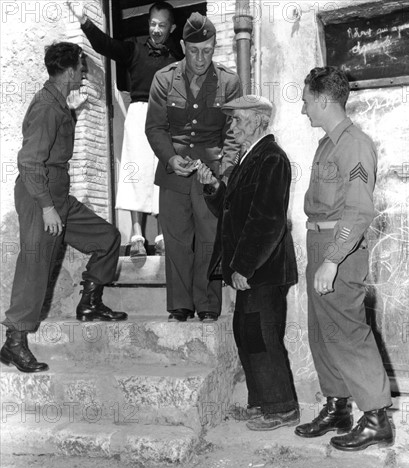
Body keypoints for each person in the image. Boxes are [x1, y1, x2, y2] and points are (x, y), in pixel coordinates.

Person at [0, 42, 127, 374]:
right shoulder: (45, 107)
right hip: (39, 193)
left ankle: (89, 302)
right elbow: (29, 162)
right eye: (82, 69)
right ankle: (14, 342)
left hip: (58, 193)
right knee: (35, 266)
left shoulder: (57, 104)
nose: (83, 74)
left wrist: (74, 111)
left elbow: (52, 138)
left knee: (107, 237)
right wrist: (46, 208)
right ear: (70, 71)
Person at [295, 66, 394, 451]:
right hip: (321, 244)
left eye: (306, 102)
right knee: (323, 332)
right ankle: (338, 407)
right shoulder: (326, 144)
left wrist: (334, 258)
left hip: (341, 249)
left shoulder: (354, 144)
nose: (304, 110)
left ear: (323, 100)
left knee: (349, 332)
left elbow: (358, 212)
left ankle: (376, 419)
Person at [198, 95, 299, 431]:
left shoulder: (271, 158)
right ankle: (262, 402)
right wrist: (214, 186)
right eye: (232, 120)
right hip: (252, 268)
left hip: (262, 269)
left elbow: (266, 219)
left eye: (238, 120)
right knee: (248, 333)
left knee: (263, 334)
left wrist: (244, 265)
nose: (232, 126)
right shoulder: (250, 158)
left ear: (258, 120)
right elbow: (232, 208)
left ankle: (282, 407)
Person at [146, 12, 241, 323]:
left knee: (210, 239)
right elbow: (155, 127)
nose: (201, 58)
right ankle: (181, 304)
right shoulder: (163, 79)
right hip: (174, 173)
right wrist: (171, 158)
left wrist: (222, 172)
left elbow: (233, 133)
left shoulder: (229, 81)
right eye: (195, 50)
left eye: (208, 50)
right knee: (176, 239)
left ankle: (209, 304)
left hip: (210, 174)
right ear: (184, 46)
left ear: (214, 48)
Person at [68, 1, 182, 257]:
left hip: (166, 118)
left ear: (171, 27)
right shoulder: (134, 49)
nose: (155, 29)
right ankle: (137, 236)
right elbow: (104, 45)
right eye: (152, 24)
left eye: (162, 25)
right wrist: (85, 22)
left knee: (162, 173)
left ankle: (163, 237)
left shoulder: (178, 57)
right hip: (139, 114)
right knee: (136, 171)